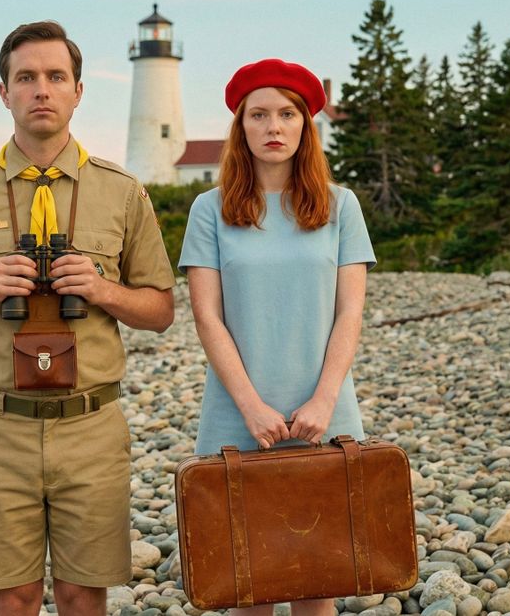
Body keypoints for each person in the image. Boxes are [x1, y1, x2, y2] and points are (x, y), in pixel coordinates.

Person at [0, 21, 175, 616]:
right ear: (3, 92)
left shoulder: (123, 192)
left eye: (56, 77)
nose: (41, 90)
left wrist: (103, 290)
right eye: (25, 77)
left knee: (85, 593)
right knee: (15, 594)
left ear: (79, 90)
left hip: (91, 426)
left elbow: (161, 309)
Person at [177, 58, 376, 616]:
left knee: (319, 579)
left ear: (305, 124)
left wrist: (324, 397)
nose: (273, 126)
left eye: (287, 114)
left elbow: (349, 312)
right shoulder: (209, 210)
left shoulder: (341, 206)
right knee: (251, 582)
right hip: (237, 415)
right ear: (240, 126)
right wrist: (251, 407)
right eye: (259, 114)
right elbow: (208, 318)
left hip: (325, 411)